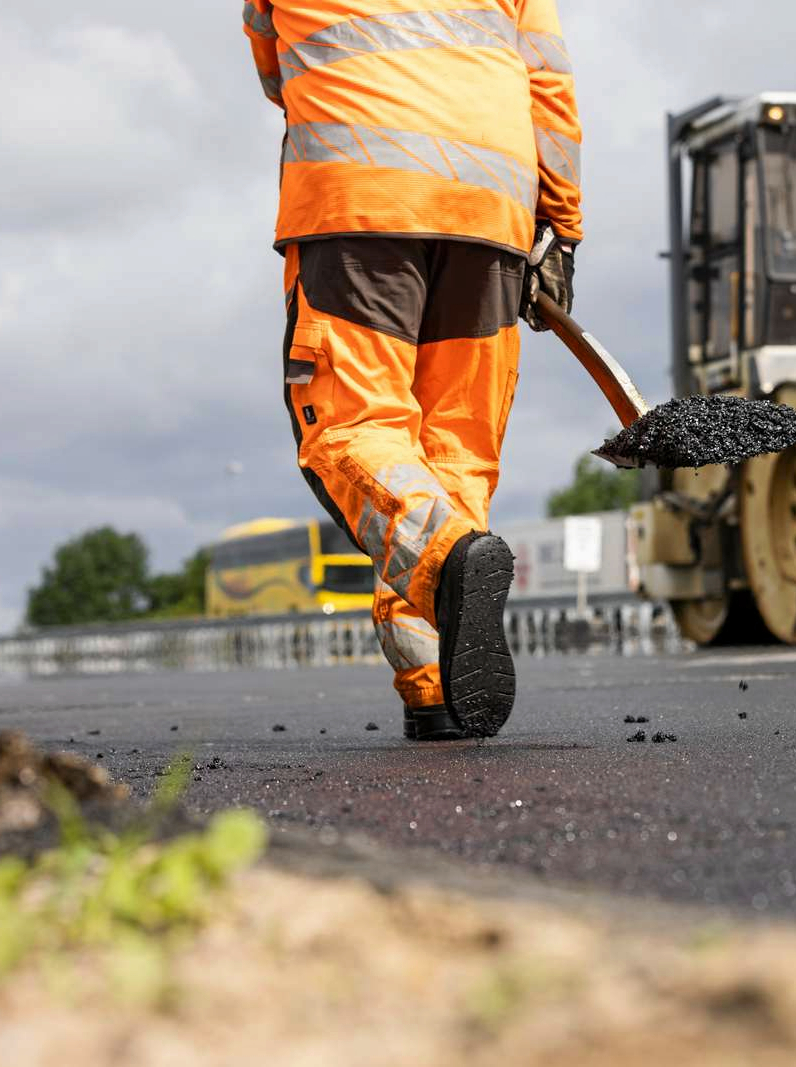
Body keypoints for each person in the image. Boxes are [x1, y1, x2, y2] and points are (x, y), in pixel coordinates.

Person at [243, 1, 582, 741]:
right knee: (454, 452)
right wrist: (563, 229)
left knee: (351, 428)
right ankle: (435, 686)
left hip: (361, 190)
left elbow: (272, 63)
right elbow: (549, 82)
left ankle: (446, 558)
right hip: (494, 205)